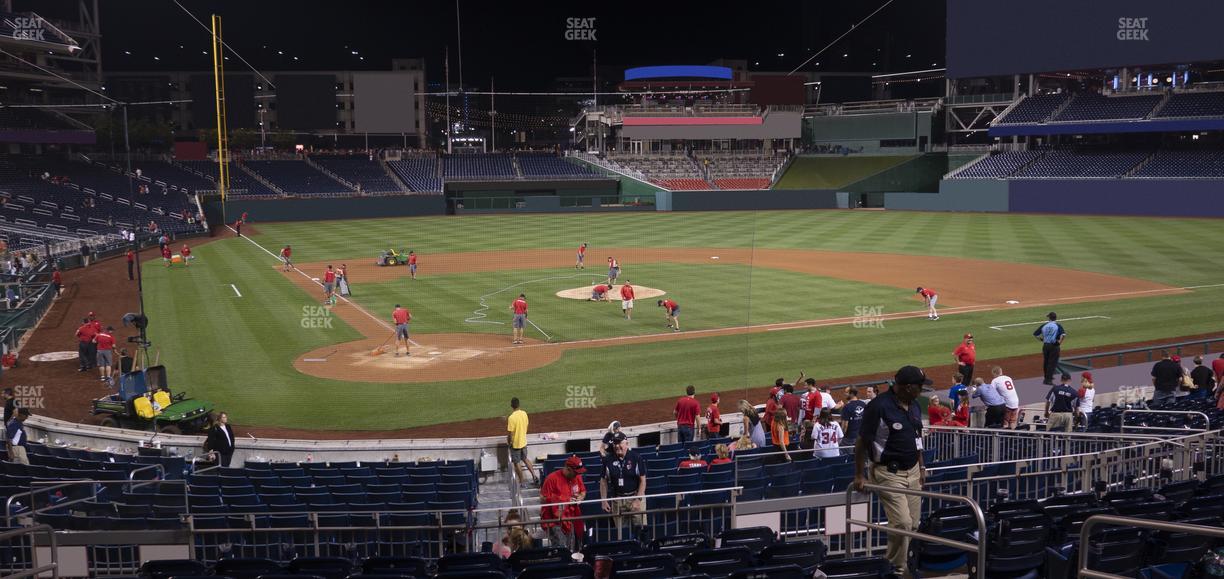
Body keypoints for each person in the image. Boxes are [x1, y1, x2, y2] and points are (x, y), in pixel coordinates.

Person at [853, 365, 931, 576]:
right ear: (907, 387)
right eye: (919, 386)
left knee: (913, 525)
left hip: (913, 471)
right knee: (903, 523)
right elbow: (861, 442)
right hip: (888, 473)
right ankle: (897, 569)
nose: (922, 390)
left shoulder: (914, 405)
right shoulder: (878, 407)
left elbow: (917, 439)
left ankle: (888, 565)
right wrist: (860, 474)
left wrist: (922, 466)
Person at [600, 433, 647, 538]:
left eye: (619, 443)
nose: (617, 446)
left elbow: (643, 480)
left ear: (626, 443)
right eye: (615, 443)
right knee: (621, 533)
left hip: (635, 497)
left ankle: (643, 551)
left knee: (641, 530)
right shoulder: (607, 460)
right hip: (618, 500)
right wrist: (604, 500)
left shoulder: (636, 457)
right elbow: (603, 481)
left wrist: (638, 499)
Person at [540, 455, 587, 551]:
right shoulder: (551, 478)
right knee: (561, 549)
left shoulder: (577, 477)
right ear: (568, 469)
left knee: (572, 547)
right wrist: (564, 500)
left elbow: (583, 491)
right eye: (576, 472)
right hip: (554, 520)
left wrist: (580, 498)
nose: (577, 475)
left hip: (571, 517)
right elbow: (543, 498)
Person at [507, 397, 538, 486]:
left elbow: (510, 434)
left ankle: (522, 482)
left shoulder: (511, 418)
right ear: (519, 405)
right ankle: (534, 476)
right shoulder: (524, 413)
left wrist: (509, 442)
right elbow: (526, 426)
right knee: (525, 459)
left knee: (517, 463)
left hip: (515, 444)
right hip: (523, 441)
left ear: (511, 406)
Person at [1034, 312, 1067, 385]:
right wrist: (1059, 343)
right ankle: (1048, 380)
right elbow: (1063, 335)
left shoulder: (1044, 325)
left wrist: (1041, 339)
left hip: (1045, 346)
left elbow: (1035, 334)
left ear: (1049, 318)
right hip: (1054, 346)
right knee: (1052, 363)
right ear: (1055, 318)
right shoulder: (1057, 325)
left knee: (1046, 362)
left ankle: (1047, 377)